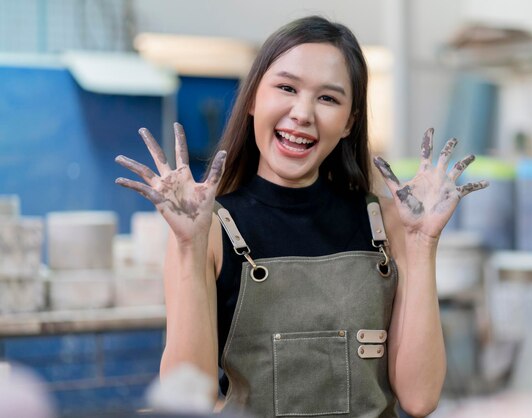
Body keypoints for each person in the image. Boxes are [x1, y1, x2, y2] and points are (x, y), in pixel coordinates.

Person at [115, 15, 487, 418]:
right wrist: (189, 245)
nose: (303, 113)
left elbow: (420, 398)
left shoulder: (389, 223)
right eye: (287, 88)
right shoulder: (208, 230)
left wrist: (422, 243)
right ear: (254, 99)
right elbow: (188, 398)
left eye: (328, 98)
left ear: (349, 122)